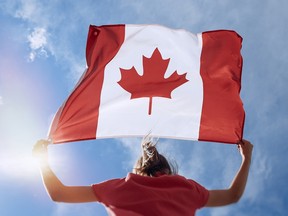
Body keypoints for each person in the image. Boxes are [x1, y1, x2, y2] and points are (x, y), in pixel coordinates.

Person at [33, 137, 253, 216]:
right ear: (168, 170)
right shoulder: (189, 191)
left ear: (139, 169)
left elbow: (59, 193)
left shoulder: (121, 187)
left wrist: (42, 159)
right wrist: (246, 158)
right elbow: (232, 196)